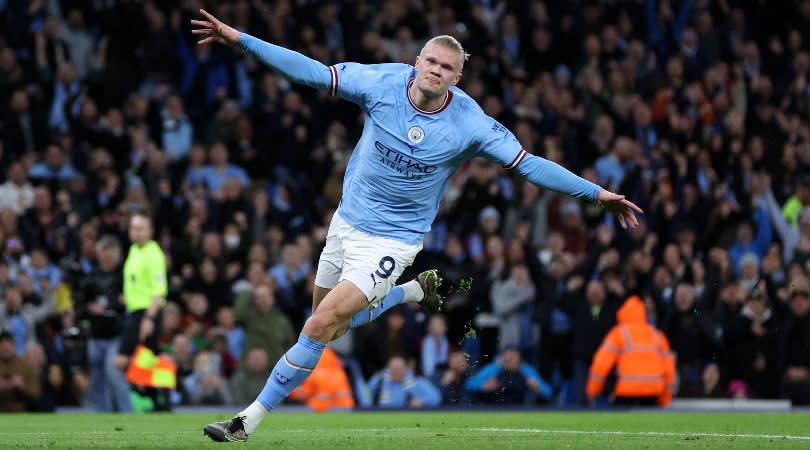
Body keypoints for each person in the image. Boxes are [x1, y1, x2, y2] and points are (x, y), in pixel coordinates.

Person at [192, 9, 642, 442]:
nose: (436, 71)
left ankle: (246, 421)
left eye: (447, 67)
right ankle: (411, 292)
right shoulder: (380, 83)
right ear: (416, 61)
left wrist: (595, 193)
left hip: (393, 240)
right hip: (346, 221)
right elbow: (310, 71)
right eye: (431, 61)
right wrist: (241, 40)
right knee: (331, 326)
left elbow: (527, 165)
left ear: (457, 77)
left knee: (318, 325)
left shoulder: (470, 123)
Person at [73, 235, 132, 412]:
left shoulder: (126, 276)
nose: (105, 262)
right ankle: (100, 417)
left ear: (117, 256)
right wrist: (89, 307)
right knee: (97, 378)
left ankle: (129, 415)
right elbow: (80, 302)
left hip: (117, 334)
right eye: (103, 258)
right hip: (96, 333)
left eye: (109, 258)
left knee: (113, 373)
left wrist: (112, 304)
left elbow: (128, 301)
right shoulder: (92, 276)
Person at [117, 212, 168, 410]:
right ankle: (157, 400)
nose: (135, 232)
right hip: (135, 311)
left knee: (122, 360)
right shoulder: (133, 250)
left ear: (150, 231)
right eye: (133, 228)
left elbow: (159, 290)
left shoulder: (154, 253)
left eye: (140, 228)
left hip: (147, 312)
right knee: (148, 361)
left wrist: (149, 318)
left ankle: (154, 395)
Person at [585, 295, 676, 407]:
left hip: (626, 392)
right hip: (653, 392)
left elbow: (601, 364)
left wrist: (592, 390)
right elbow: (670, 369)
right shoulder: (657, 335)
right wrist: (665, 398)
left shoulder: (618, 334)